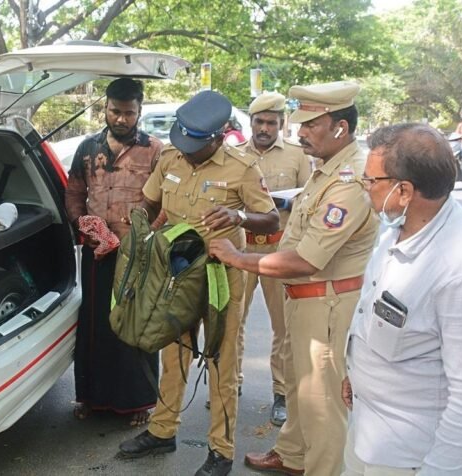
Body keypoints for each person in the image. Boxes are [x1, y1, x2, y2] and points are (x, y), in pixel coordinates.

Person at [209, 81, 379, 476]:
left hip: (326, 303)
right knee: (302, 387)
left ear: (339, 127)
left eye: (309, 125)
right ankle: (293, 455)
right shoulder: (326, 170)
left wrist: (238, 257)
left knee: (322, 403)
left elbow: (305, 259)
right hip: (306, 300)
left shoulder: (348, 182)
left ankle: (320, 468)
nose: (299, 132)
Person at [117, 90, 280, 476]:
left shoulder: (242, 167)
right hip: (174, 276)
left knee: (222, 363)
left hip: (219, 275)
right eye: (183, 142)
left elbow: (270, 219)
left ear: (220, 137)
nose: (187, 151)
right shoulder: (170, 158)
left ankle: (220, 451)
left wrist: (239, 217)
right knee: (173, 355)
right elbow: (151, 203)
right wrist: (138, 223)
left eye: (196, 146)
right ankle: (162, 430)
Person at [341, 123, 462, 475]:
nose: (365, 189)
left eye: (371, 181)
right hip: (369, 433)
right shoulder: (400, 231)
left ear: (404, 190)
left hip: (411, 458)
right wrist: (356, 370)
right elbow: (375, 310)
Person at [64, 78, 163, 426]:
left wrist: (145, 236)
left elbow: (166, 202)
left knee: (134, 327)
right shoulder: (87, 148)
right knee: (95, 326)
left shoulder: (155, 150)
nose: (121, 119)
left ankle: (139, 402)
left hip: (137, 255)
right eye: (115, 111)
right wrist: (84, 226)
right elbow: (74, 193)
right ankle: (92, 398)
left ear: (139, 111)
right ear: (104, 108)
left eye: (128, 113)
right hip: (97, 254)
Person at [232, 92, 312, 426]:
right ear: (250, 123)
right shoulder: (232, 156)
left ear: (281, 124)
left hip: (279, 249)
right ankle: (230, 384)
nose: (264, 128)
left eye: (271, 123)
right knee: (233, 320)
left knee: (284, 326)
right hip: (241, 248)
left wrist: (291, 204)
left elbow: (312, 200)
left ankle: (281, 393)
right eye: (259, 122)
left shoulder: (297, 157)